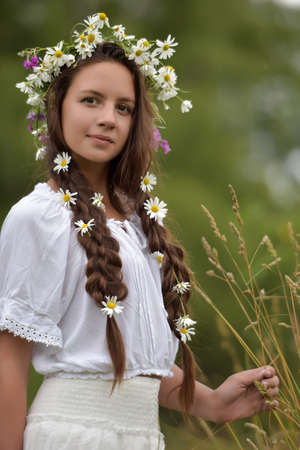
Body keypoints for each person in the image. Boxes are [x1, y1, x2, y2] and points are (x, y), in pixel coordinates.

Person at [0, 12, 279, 450]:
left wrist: (214, 404)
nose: (108, 118)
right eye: (91, 100)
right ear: (58, 108)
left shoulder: (137, 223)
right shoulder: (38, 216)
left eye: (123, 107)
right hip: (71, 436)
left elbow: (131, 366)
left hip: (141, 438)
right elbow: (10, 361)